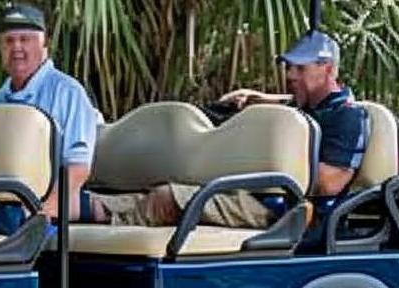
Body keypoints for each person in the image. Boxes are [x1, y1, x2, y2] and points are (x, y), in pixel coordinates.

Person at [90, 30, 368, 229]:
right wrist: (254, 100)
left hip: (290, 210)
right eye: (289, 68)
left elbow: (330, 182)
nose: (290, 76)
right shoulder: (301, 106)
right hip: (257, 195)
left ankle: (107, 220)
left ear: (328, 69)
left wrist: (259, 160)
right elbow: (287, 103)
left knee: (170, 198)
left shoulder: (347, 118)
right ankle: (87, 207)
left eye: (300, 69)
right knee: (152, 189)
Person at [0, 3, 104, 221]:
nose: (16, 48)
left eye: (25, 39)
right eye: (9, 41)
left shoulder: (68, 92)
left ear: (43, 43)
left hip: (49, 206)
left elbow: (77, 168)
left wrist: (40, 212)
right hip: (0, 203)